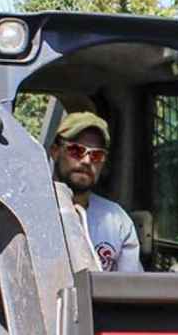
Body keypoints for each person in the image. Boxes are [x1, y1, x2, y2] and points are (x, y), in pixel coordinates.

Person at [50, 112, 142, 272]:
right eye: (76, 150)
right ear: (55, 151)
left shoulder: (117, 220)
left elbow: (131, 288)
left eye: (96, 155)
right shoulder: (32, 212)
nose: (86, 161)